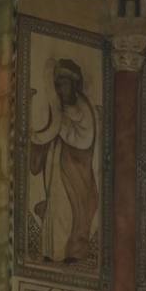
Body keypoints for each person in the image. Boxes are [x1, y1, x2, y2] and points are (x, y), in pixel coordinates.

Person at [29, 58, 99, 264]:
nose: (60, 89)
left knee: (69, 209)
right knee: (55, 206)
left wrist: (60, 128)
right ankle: (52, 251)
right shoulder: (59, 109)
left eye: (64, 84)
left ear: (74, 85)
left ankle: (71, 252)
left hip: (76, 172)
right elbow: (49, 131)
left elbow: (84, 138)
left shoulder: (82, 110)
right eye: (57, 85)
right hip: (57, 167)